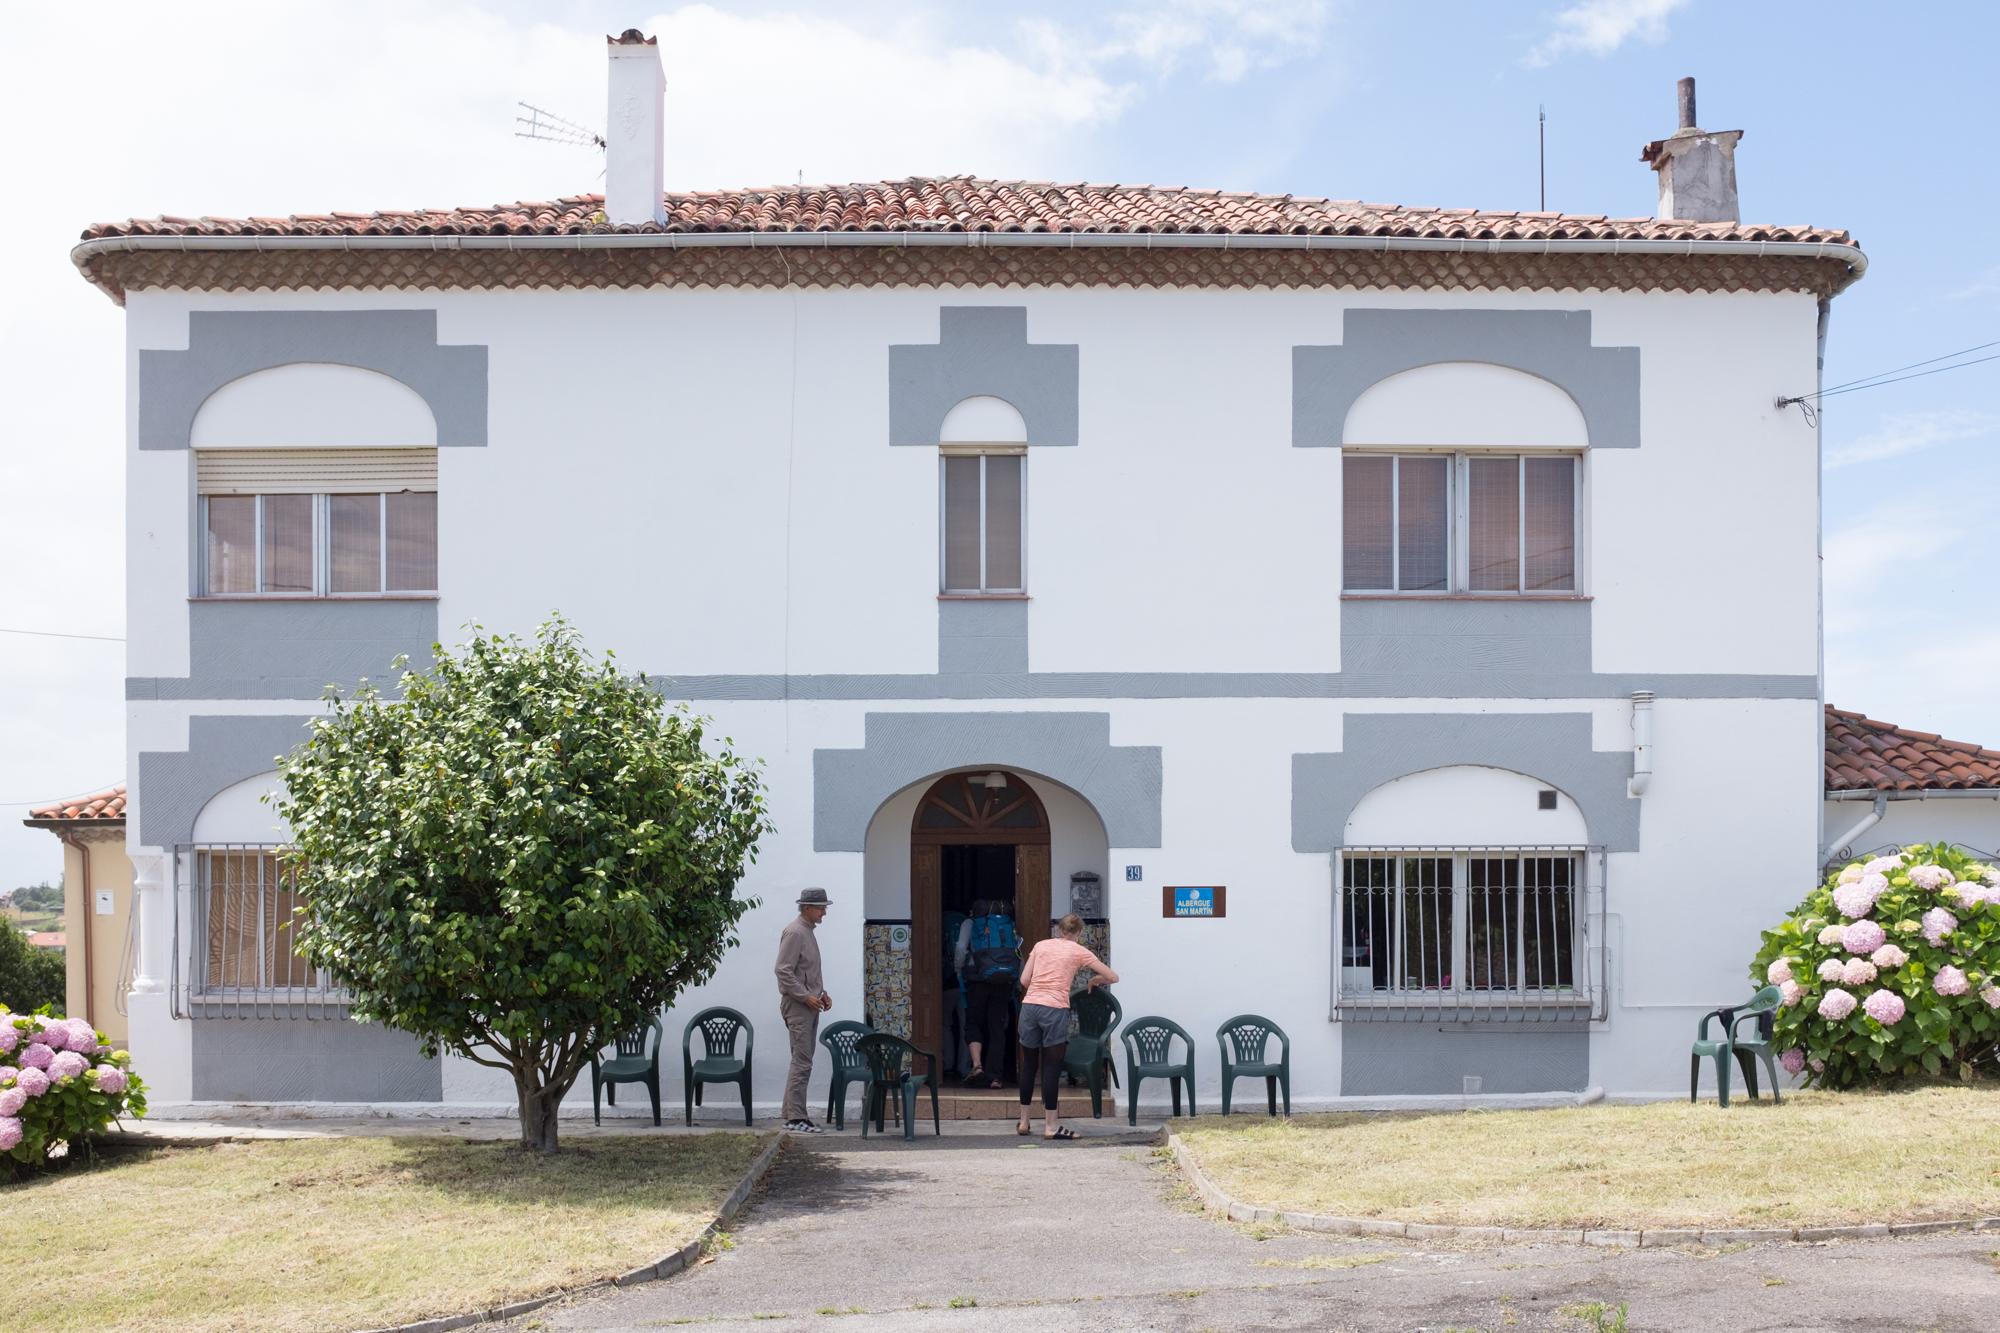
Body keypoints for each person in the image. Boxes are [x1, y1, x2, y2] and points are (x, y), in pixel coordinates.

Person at [1014, 913, 1117, 1141]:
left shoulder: (1041, 946)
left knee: (1029, 1065)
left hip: (1029, 1007)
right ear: (1079, 933)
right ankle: (1051, 1126)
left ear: (1059, 931)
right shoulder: (1080, 951)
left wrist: (1039, 989)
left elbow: (1024, 980)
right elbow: (1111, 976)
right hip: (1054, 1009)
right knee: (1051, 1066)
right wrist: (1094, 980)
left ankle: (1024, 1121)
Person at [775, 887, 833, 1134]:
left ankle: (793, 1115)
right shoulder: (796, 932)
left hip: (808, 1005)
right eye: (820, 908)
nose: (823, 913)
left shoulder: (806, 931)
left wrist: (821, 994)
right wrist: (805, 996)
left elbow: (805, 970)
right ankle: (796, 1117)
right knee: (802, 1061)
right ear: (807, 907)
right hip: (798, 1007)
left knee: (801, 1061)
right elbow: (783, 970)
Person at [955, 898, 1020, 1088]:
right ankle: (996, 1078)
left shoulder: (970, 923)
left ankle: (977, 1066)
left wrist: (959, 969)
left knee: (973, 1022)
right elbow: (1018, 951)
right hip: (1004, 980)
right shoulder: (1009, 923)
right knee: (997, 1027)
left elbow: (960, 948)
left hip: (977, 980)